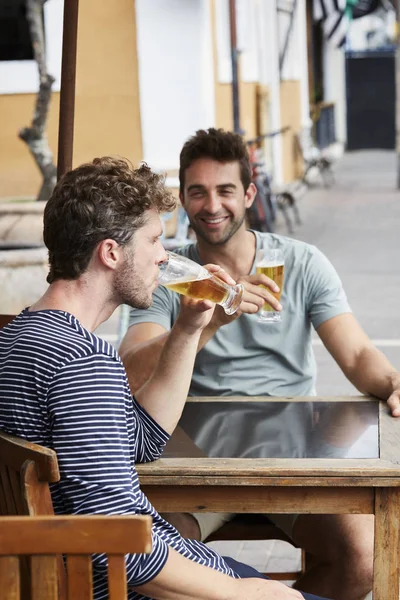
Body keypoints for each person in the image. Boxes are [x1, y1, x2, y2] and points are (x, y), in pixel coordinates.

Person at [0, 157, 328, 600]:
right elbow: (120, 550)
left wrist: (190, 328)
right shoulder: (83, 361)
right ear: (111, 253)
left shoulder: (21, 335)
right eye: (154, 239)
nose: (164, 255)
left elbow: (143, 441)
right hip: (122, 588)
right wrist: (244, 594)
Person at [119, 129, 400, 600]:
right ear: (183, 200)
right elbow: (131, 370)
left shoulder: (301, 262)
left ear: (248, 193)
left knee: (363, 557)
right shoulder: (167, 272)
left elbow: (354, 354)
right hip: (190, 459)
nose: (212, 205)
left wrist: (393, 380)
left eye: (225, 190)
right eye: (197, 192)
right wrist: (207, 320)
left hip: (293, 455)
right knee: (164, 564)